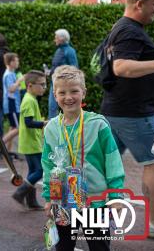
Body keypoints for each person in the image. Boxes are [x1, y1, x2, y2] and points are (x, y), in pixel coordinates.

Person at [100, 0, 154, 238]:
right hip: (135, 114)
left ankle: (92, 220)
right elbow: (122, 67)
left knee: (103, 168)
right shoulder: (130, 31)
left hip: (116, 110)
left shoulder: (119, 28)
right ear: (139, 4)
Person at [42, 65, 125, 251]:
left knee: (99, 247)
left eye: (74, 91)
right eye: (62, 92)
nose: (68, 97)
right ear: (55, 95)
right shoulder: (51, 129)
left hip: (95, 202)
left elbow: (113, 161)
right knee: (62, 246)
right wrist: (49, 197)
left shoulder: (98, 125)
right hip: (62, 201)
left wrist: (115, 195)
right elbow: (48, 165)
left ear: (84, 93)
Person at [12, 70, 47, 210]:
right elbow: (28, 122)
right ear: (30, 85)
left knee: (33, 171)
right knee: (40, 171)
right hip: (31, 143)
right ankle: (19, 193)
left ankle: (31, 202)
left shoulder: (31, 99)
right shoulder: (28, 100)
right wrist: (44, 124)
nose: (44, 87)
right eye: (42, 85)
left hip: (32, 142)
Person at [48, 29, 78, 119]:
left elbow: (74, 68)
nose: (54, 40)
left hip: (64, 84)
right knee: (52, 107)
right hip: (54, 82)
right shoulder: (58, 50)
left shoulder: (70, 51)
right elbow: (56, 66)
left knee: (64, 106)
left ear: (62, 38)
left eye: (56, 38)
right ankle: (52, 128)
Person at [2, 53, 24, 151]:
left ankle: (7, 151)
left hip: (13, 104)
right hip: (12, 104)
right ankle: (1, 146)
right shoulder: (9, 74)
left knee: (13, 127)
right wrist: (19, 81)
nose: (18, 62)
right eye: (16, 60)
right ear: (11, 63)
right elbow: (11, 89)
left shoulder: (12, 73)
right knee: (18, 128)